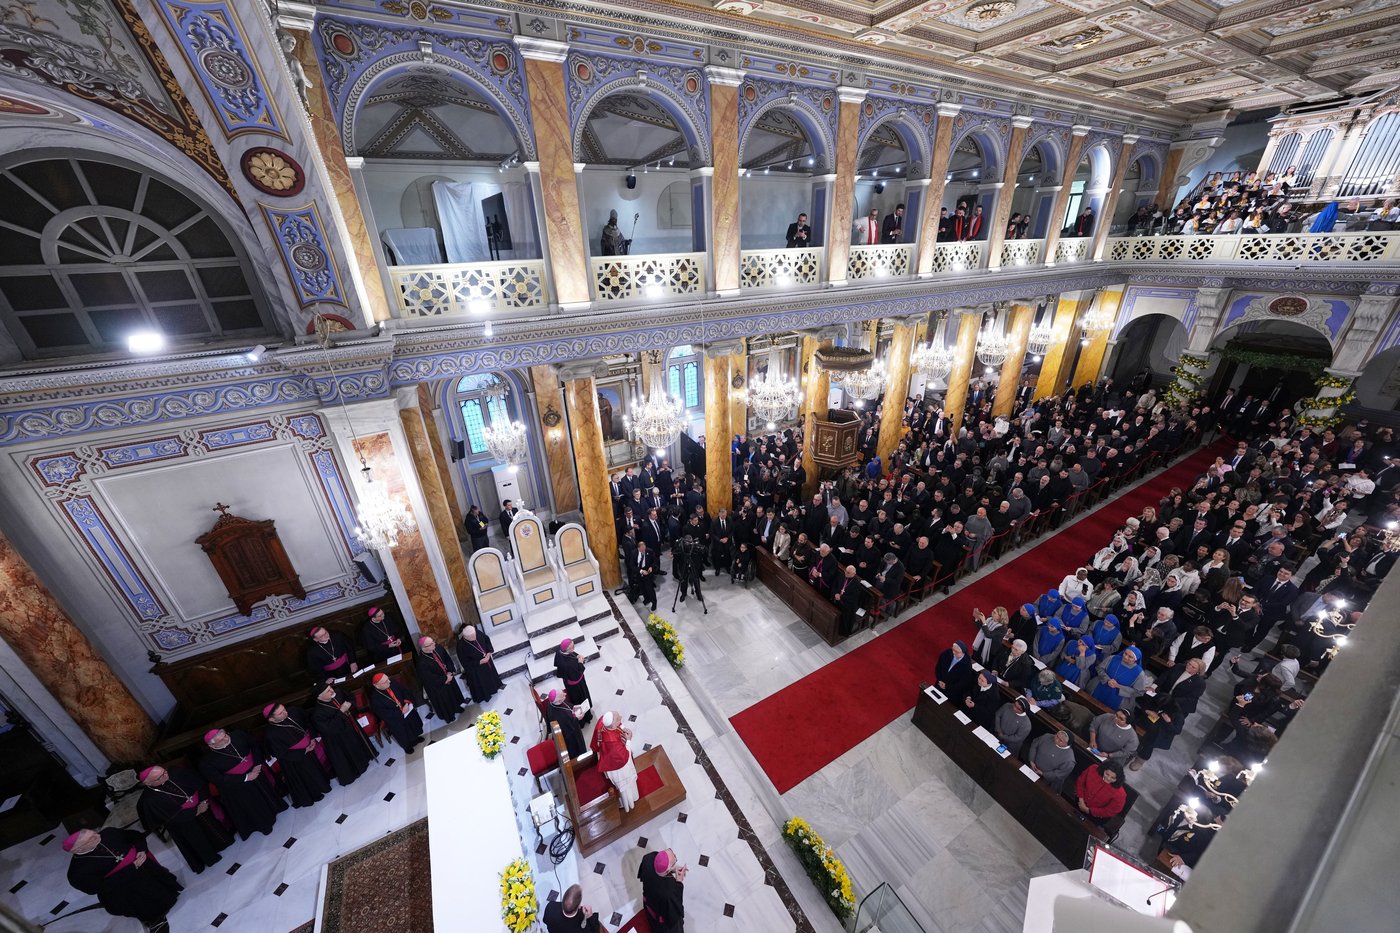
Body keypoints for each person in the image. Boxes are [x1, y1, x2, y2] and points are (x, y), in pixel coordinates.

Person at [64, 827, 183, 928]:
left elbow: (135, 836)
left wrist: (141, 849)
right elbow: (99, 887)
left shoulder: (109, 833)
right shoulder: (77, 873)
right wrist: (130, 869)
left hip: (145, 869)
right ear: (78, 849)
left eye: (94, 832)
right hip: (126, 888)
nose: (97, 836)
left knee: (163, 887)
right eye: (91, 839)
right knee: (150, 907)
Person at [135, 765, 234, 874]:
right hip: (183, 824)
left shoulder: (177, 772)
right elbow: (168, 818)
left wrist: (203, 801)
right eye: (159, 777)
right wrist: (195, 811)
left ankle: (223, 843)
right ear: (148, 783)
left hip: (202, 806)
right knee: (197, 840)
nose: (166, 776)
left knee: (212, 827)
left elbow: (200, 784)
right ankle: (210, 857)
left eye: (164, 772)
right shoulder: (148, 801)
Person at [198, 727, 287, 839]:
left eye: (225, 735)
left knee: (267, 793)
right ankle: (265, 824)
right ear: (212, 746)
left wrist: (258, 764)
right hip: (238, 787)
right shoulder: (205, 762)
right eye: (221, 740)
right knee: (253, 805)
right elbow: (219, 780)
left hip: (256, 772)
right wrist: (246, 777)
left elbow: (254, 745)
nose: (226, 739)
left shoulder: (238, 734)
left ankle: (276, 808)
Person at [1129, 658, 1207, 769]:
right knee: (1140, 715)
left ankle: (1141, 759)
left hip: (1175, 707)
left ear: (1198, 671)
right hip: (1160, 699)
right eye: (1189, 663)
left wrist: (1171, 701)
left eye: (1193, 667)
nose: (1189, 666)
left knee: (1154, 733)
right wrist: (1154, 687)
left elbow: (1191, 699)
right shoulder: (1179, 666)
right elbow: (1164, 677)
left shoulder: (1199, 683)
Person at [262, 702, 331, 808]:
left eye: (284, 709)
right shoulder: (271, 734)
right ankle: (314, 794)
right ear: (272, 719)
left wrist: (312, 738)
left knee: (315, 769)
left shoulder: (293, 711)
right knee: (305, 778)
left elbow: (307, 722)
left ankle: (324, 785)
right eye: (281, 713)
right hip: (294, 761)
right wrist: (303, 751)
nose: (285, 713)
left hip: (309, 749)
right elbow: (280, 753)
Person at [310, 681, 377, 784]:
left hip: (351, 726)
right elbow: (329, 728)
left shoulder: (337, 692)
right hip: (339, 738)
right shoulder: (317, 713)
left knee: (358, 744)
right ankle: (358, 769)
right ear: (320, 696)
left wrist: (350, 703)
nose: (332, 691)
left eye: (330, 688)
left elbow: (350, 696)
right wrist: (341, 711)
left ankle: (366, 758)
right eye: (328, 691)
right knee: (350, 752)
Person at [590, 710, 639, 812]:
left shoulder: (603, 722)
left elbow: (597, 740)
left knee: (621, 788)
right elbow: (624, 756)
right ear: (612, 726)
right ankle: (630, 804)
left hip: (608, 759)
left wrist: (623, 728)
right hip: (619, 769)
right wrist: (628, 740)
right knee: (626, 789)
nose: (621, 718)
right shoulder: (613, 744)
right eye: (618, 719)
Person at [414, 635, 467, 724]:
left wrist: (450, 672)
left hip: (448, 676)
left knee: (453, 694)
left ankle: (457, 707)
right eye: (431, 644)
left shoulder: (438, 648)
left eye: (433, 641)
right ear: (424, 647)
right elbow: (429, 679)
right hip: (438, 686)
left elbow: (447, 659)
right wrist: (445, 678)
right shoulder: (421, 662)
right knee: (444, 701)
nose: (434, 644)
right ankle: (449, 716)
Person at [368, 672, 424, 754]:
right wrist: (400, 712)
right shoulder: (375, 699)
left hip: (406, 709)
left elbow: (405, 691)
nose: (389, 682)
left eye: (388, 679)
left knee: (413, 725)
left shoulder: (392, 683)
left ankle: (416, 738)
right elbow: (384, 714)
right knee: (403, 733)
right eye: (385, 682)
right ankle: (407, 746)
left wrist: (406, 703)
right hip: (396, 719)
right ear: (377, 685)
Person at [639, 848, 687, 932]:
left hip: (649, 901)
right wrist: (679, 881)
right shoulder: (669, 893)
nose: (675, 855)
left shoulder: (649, 858)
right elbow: (674, 912)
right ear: (667, 871)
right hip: (662, 920)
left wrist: (673, 869)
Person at [456, 624, 506, 703]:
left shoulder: (476, 632)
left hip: (487, 660)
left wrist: (489, 652)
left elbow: (486, 639)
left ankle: (494, 688)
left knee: (491, 676)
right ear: (465, 637)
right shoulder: (460, 646)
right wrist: (480, 662)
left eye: (474, 635)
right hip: (477, 669)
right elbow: (465, 663)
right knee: (482, 683)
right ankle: (486, 695)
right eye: (472, 637)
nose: (475, 637)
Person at [1090, 645, 1150, 710]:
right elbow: (1100, 668)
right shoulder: (1113, 658)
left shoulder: (1139, 673)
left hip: (1118, 699)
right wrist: (1107, 679)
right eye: (1125, 653)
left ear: (1135, 660)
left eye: (1130, 657)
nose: (1126, 657)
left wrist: (1118, 686)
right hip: (1099, 687)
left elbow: (1139, 692)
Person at [1074, 762, 1127, 827]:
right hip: (1080, 801)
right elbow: (1080, 782)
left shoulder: (1120, 794)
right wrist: (1081, 801)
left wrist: (1088, 810)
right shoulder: (1093, 769)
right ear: (1104, 769)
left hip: (1096, 816)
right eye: (1107, 774)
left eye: (1113, 778)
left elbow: (1111, 811)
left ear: (1118, 779)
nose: (1108, 778)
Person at [554, 638, 594, 720]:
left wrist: (577, 656)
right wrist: (580, 662)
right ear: (567, 649)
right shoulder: (568, 665)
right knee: (581, 699)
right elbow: (577, 675)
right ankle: (585, 717)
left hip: (568, 681)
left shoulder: (559, 652)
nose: (574, 649)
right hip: (577, 686)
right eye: (572, 647)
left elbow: (571, 655)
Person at [545, 688, 588, 759]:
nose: (565, 694)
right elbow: (569, 728)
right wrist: (577, 718)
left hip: (567, 725)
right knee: (578, 748)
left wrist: (573, 707)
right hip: (570, 737)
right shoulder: (560, 716)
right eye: (563, 695)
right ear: (558, 701)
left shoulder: (552, 703)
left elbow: (565, 705)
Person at [629, 539, 659, 610]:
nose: (643, 551)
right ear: (638, 548)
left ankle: (654, 602)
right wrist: (641, 571)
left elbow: (655, 561)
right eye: (642, 550)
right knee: (642, 588)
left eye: (644, 549)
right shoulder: (634, 553)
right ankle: (647, 599)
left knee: (650, 589)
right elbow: (632, 565)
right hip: (639, 572)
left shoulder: (650, 551)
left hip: (648, 573)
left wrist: (651, 567)